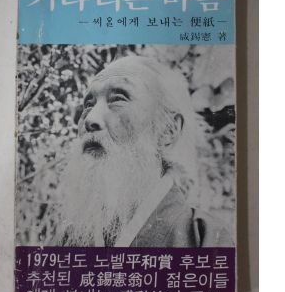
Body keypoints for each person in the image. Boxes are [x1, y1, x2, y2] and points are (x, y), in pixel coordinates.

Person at [55, 55, 233, 247]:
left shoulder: (205, 239)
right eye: (88, 104)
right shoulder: (70, 238)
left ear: (168, 130)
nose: (91, 119)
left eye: (118, 99)